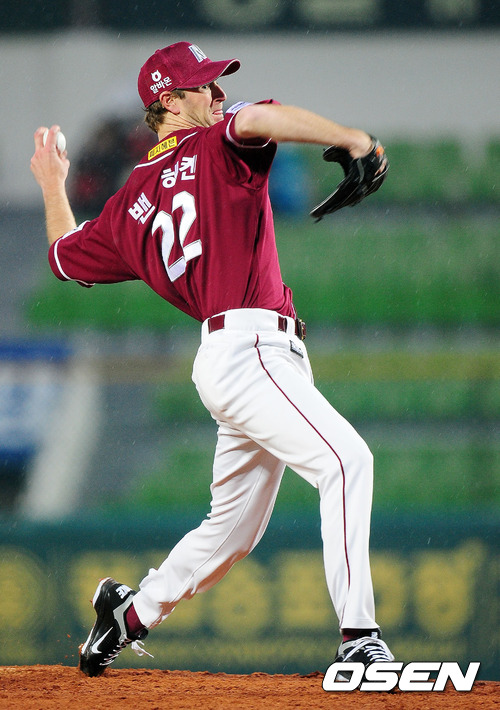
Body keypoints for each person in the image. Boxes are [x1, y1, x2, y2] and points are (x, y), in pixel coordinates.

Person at [30, 41, 394, 679]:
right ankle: (359, 640)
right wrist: (353, 138)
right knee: (346, 461)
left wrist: (52, 185)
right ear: (169, 102)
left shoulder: (127, 204)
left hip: (233, 357)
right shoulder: (215, 144)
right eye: (203, 85)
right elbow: (261, 116)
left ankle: (129, 614)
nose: (217, 93)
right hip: (252, 351)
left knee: (232, 532)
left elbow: (63, 256)